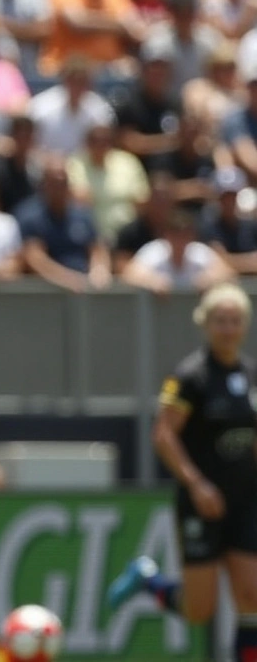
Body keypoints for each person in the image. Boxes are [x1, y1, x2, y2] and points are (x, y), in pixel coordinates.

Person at [107, 283, 257, 662]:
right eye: (220, 321)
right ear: (206, 324)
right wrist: (197, 485)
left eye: (235, 321)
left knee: (253, 597)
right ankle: (148, 580)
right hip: (201, 503)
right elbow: (163, 435)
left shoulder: (252, 375)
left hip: (245, 501)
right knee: (199, 609)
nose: (228, 329)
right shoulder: (191, 376)